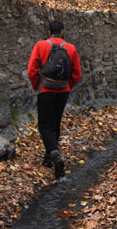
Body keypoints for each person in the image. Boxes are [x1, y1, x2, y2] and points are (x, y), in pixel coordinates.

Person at [26, 19, 82, 179]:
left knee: (44, 125)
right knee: (56, 122)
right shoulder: (71, 48)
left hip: (46, 89)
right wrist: (67, 86)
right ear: (62, 32)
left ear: (49, 32)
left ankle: (55, 155)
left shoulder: (41, 45)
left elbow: (32, 70)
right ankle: (49, 156)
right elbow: (77, 73)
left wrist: (37, 84)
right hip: (63, 90)